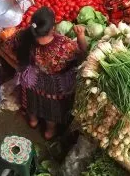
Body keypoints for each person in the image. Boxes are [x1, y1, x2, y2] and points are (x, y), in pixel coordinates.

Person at [13, 7, 87, 140]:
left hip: (32, 79)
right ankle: (49, 132)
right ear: (53, 28)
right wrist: (80, 36)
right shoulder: (64, 45)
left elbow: (14, 42)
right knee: (50, 110)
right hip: (54, 85)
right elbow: (83, 55)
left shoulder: (25, 36)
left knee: (32, 102)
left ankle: (33, 121)